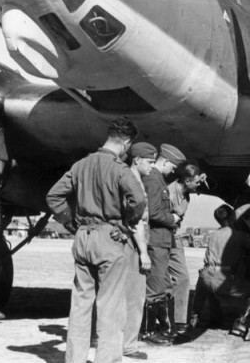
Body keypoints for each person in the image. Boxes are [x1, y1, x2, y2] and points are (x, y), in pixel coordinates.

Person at [46, 117, 146, 363]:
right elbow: (139, 201)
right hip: (109, 237)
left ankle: (74, 359)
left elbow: (54, 196)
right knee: (110, 305)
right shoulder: (119, 168)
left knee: (80, 303)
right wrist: (126, 226)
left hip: (82, 238)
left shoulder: (80, 165)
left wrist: (71, 224)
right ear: (126, 143)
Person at [188, 203, 250, 338]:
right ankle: (241, 322)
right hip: (221, 276)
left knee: (206, 285)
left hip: (205, 276)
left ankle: (195, 319)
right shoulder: (237, 235)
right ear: (232, 218)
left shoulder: (213, 234)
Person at [141, 143, 186, 344]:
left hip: (162, 241)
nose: (173, 171)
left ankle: (166, 328)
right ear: (165, 161)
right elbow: (152, 212)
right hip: (156, 240)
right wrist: (173, 219)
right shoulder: (153, 180)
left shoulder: (157, 179)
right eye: (173, 167)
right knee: (155, 286)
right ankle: (149, 331)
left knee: (164, 284)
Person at [122, 142, 157, 359]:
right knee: (135, 297)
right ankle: (128, 346)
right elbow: (137, 222)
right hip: (133, 246)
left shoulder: (125, 178)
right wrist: (144, 253)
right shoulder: (134, 182)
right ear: (137, 160)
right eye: (150, 162)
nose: (152, 167)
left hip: (123, 243)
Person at [166, 162, 206, 332]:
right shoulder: (168, 192)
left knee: (183, 278)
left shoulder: (187, 194)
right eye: (197, 182)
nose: (200, 186)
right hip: (160, 235)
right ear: (187, 180)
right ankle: (157, 322)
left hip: (174, 235)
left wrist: (201, 178)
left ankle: (179, 321)